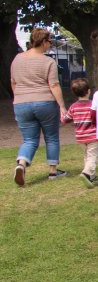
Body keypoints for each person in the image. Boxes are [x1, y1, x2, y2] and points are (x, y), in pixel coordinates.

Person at [10, 28, 68, 186]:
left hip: (21, 102)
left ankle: (21, 164)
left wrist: (19, 97)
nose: (50, 44)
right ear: (43, 42)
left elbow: (13, 82)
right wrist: (62, 106)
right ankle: (53, 171)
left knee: (29, 139)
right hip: (45, 102)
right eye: (49, 41)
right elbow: (54, 85)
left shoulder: (17, 59)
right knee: (51, 137)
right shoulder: (48, 62)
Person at [62, 78, 98, 186]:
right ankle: (86, 173)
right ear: (89, 91)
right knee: (92, 156)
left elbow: (65, 119)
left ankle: (91, 176)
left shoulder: (73, 107)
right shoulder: (93, 105)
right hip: (94, 135)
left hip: (80, 137)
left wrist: (62, 114)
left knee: (86, 156)